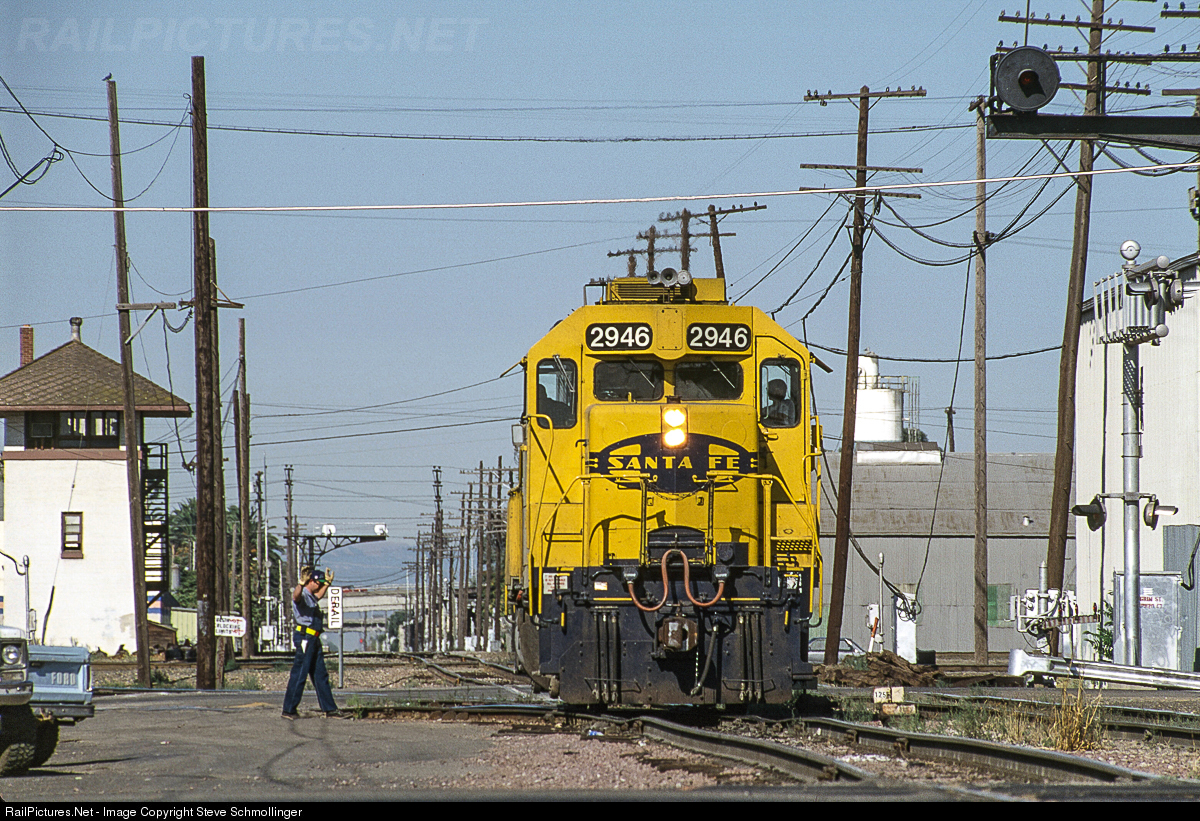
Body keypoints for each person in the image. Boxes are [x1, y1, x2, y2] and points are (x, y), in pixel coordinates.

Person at [282, 566, 343, 719]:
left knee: (320, 674)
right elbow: (295, 597)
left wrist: (327, 585)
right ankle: (289, 710)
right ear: (312, 582)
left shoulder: (311, 596)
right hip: (305, 638)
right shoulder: (302, 593)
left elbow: (319, 596)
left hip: (314, 639)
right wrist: (300, 584)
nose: (321, 586)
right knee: (300, 674)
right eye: (320, 583)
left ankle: (329, 708)